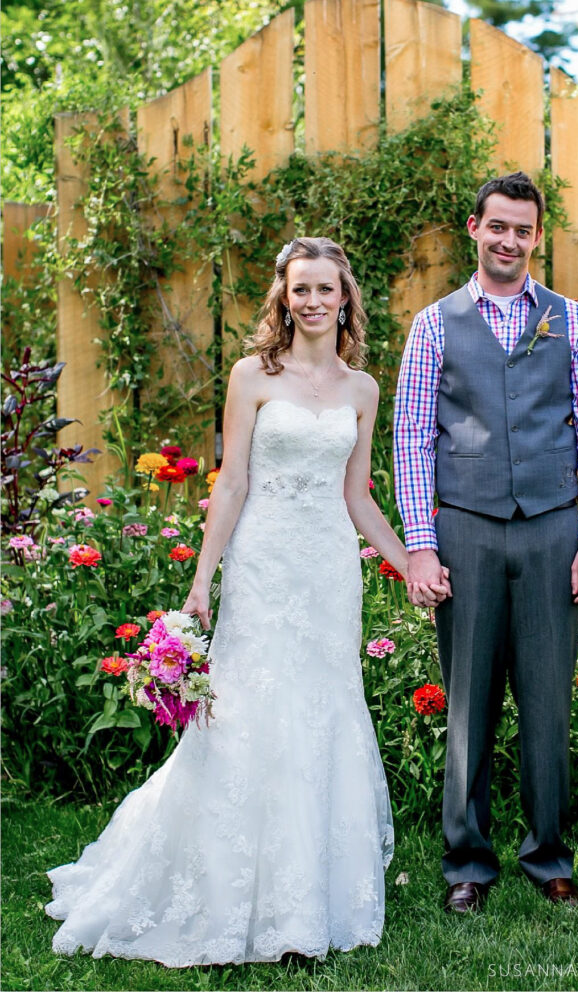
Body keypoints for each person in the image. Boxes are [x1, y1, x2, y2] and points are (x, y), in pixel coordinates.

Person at [46, 236, 447, 966]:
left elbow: (357, 495)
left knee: (321, 712)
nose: (314, 301)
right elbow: (230, 483)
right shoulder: (251, 377)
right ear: (283, 299)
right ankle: (233, 894)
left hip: (327, 574)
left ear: (345, 298)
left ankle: (307, 899)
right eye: (301, 289)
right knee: (249, 715)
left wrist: (414, 561)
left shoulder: (362, 389)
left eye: (327, 289)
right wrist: (202, 580)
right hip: (263, 568)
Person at [394, 172, 578, 914]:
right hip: (465, 527)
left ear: (535, 236)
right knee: (468, 702)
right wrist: (421, 548)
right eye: (498, 227)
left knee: (548, 699)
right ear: (474, 228)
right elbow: (411, 439)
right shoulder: (434, 324)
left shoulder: (568, 321)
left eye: (522, 230)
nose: (509, 241)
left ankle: (548, 856)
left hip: (554, 526)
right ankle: (467, 862)